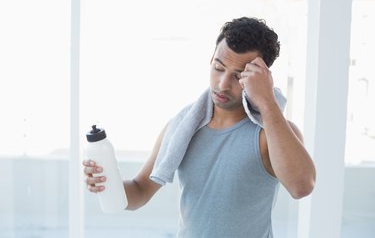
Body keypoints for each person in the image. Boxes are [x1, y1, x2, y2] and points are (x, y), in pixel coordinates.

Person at [82, 17, 316, 238]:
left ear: (260, 77)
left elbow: (302, 187)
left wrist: (267, 101)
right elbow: (139, 192)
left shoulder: (270, 133)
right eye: (219, 67)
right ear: (211, 60)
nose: (223, 84)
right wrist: (107, 183)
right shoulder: (183, 127)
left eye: (238, 76)